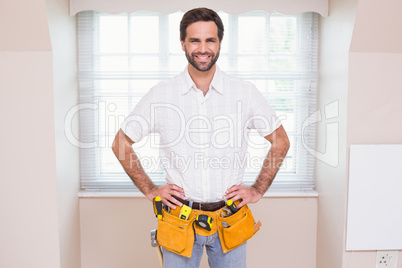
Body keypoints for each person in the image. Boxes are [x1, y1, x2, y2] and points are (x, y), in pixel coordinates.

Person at [112, 7, 290, 268]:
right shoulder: (162, 94)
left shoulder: (244, 93)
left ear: (220, 43)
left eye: (210, 40)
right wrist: (150, 189)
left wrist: (257, 190)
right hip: (179, 220)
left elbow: (281, 141)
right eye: (195, 40)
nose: (203, 48)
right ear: (182, 43)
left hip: (230, 218)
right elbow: (120, 143)